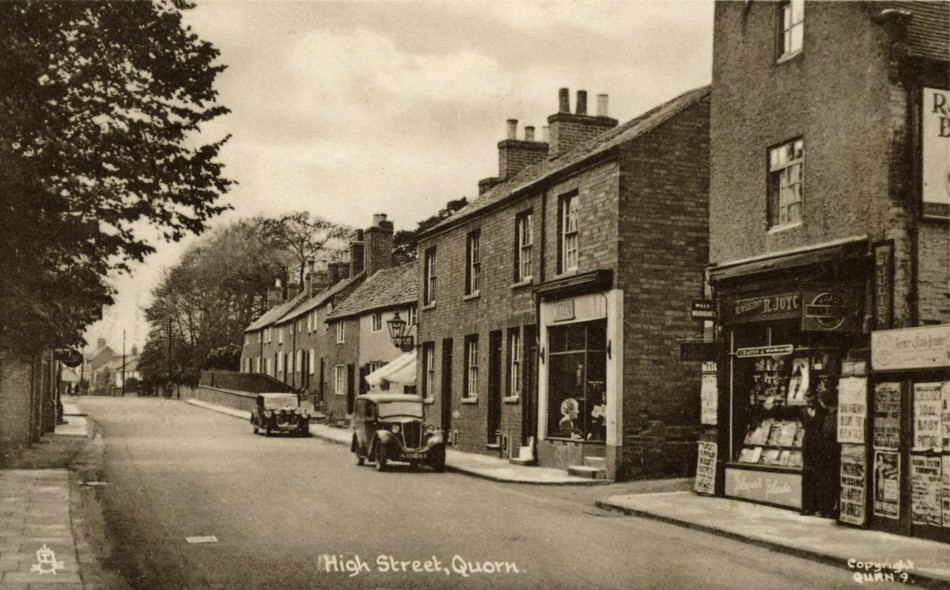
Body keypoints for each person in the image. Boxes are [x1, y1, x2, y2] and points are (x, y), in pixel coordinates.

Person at [800, 376, 839, 517]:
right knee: (807, 477)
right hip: (808, 447)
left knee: (820, 478)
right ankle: (807, 507)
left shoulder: (824, 413)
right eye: (806, 397)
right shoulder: (803, 412)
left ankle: (819, 506)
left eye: (810, 397)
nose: (808, 400)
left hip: (821, 449)